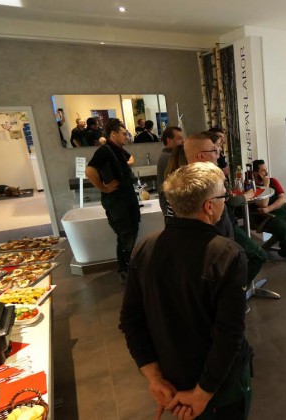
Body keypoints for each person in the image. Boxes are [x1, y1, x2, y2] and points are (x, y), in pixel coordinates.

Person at [120, 162, 253, 420]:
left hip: (173, 378)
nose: (225, 202)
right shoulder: (228, 254)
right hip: (220, 387)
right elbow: (229, 335)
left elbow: (130, 320)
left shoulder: (145, 247)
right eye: (223, 197)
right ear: (209, 206)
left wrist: (154, 377)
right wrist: (201, 395)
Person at [184, 134, 268, 283]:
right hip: (218, 236)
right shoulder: (205, 182)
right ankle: (239, 290)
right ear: (201, 155)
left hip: (222, 232)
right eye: (214, 149)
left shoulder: (190, 178)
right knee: (256, 256)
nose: (218, 154)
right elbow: (228, 203)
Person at [84, 118, 139, 283]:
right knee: (125, 234)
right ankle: (124, 269)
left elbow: (131, 157)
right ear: (113, 134)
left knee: (132, 231)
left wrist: (126, 164)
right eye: (124, 134)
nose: (126, 136)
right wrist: (104, 188)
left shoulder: (118, 149)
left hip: (127, 198)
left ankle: (130, 266)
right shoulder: (105, 151)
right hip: (117, 201)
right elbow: (89, 171)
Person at [156, 126, 184, 216]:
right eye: (179, 138)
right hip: (171, 206)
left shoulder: (167, 155)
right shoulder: (169, 157)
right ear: (169, 140)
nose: (183, 141)